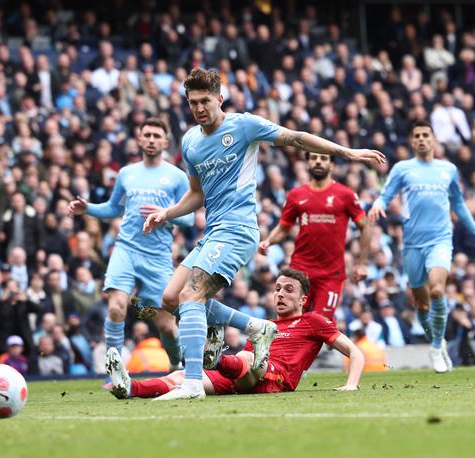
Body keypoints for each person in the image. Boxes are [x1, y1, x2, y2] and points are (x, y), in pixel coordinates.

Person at [142, 67, 384, 400]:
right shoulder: (190, 142)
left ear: (219, 99)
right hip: (213, 232)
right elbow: (197, 194)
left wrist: (346, 152)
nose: (199, 108)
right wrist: (166, 213)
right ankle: (257, 326)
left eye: (205, 101)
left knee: (192, 296)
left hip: (238, 229)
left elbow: (297, 137)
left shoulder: (243, 126)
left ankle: (193, 383)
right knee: (170, 299)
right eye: (193, 102)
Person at [105, 268, 364, 399]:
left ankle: (215, 357)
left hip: (275, 380)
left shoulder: (312, 320)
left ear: (303, 299)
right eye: (277, 289)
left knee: (247, 360)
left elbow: (355, 352)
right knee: (183, 376)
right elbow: (246, 358)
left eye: (289, 290)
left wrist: (351, 384)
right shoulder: (263, 323)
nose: (281, 294)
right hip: (243, 375)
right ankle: (129, 387)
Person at [68, 117, 194, 370]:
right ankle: (115, 370)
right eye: (146, 134)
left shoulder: (177, 176)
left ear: (166, 142)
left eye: (156, 136)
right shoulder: (127, 173)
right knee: (116, 307)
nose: (151, 140)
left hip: (157, 256)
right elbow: (114, 208)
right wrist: (88, 209)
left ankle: (175, 365)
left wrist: (165, 214)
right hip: (125, 249)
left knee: (166, 325)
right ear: (139, 139)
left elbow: (189, 218)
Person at [369, 119, 475, 373]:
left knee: (438, 290)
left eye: (426, 135)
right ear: (412, 140)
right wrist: (379, 204)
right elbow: (386, 195)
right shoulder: (403, 168)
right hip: (412, 244)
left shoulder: (447, 169)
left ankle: (437, 346)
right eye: (417, 135)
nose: (421, 139)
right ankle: (436, 341)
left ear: (433, 139)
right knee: (421, 305)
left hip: (440, 239)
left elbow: (458, 204)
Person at [258, 151, 371, 319]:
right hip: (300, 270)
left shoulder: (345, 195)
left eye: (323, 158)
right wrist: (268, 241)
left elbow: (365, 226)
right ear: (308, 163)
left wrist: (362, 263)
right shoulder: (296, 195)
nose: (318, 162)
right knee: (290, 319)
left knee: (319, 324)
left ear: (332, 165)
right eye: (314, 158)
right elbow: (283, 228)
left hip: (331, 275)